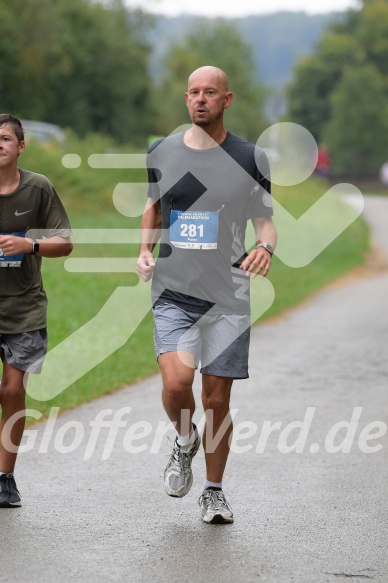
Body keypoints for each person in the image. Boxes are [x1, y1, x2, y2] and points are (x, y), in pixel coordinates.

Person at [137, 66, 277, 524]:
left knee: (217, 401)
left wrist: (265, 247)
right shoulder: (162, 151)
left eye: (210, 93)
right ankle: (183, 442)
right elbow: (154, 206)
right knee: (177, 384)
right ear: (186, 99)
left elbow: (265, 220)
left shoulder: (250, 157)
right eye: (194, 92)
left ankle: (214, 491)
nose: (201, 100)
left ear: (227, 99)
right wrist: (143, 250)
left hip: (229, 299)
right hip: (174, 292)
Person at [0, 114, 73, 508]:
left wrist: (29, 246)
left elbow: (65, 242)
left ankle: (5, 478)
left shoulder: (38, 188)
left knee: (13, 391)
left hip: (24, 307)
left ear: (21, 147)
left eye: (6, 138)